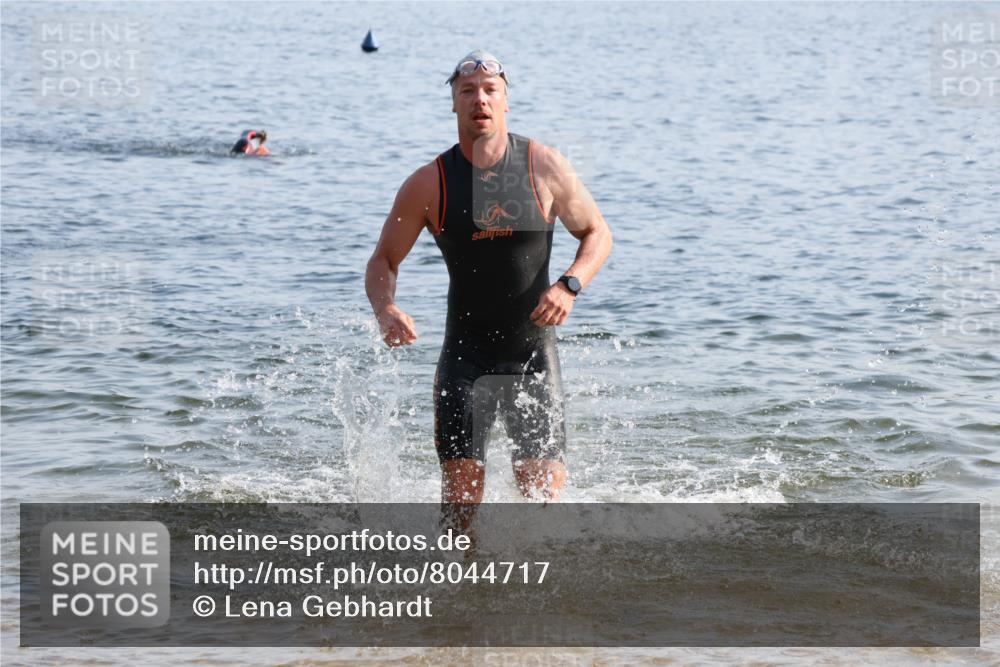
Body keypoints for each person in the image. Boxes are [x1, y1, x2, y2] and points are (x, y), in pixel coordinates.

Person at [365, 50, 612, 505]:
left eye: (490, 90)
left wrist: (569, 285)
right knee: (461, 505)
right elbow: (383, 261)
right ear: (454, 104)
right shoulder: (429, 183)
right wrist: (386, 308)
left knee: (542, 502)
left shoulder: (544, 166)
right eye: (468, 91)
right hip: (466, 359)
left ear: (505, 102)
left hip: (532, 357)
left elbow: (597, 233)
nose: (479, 99)